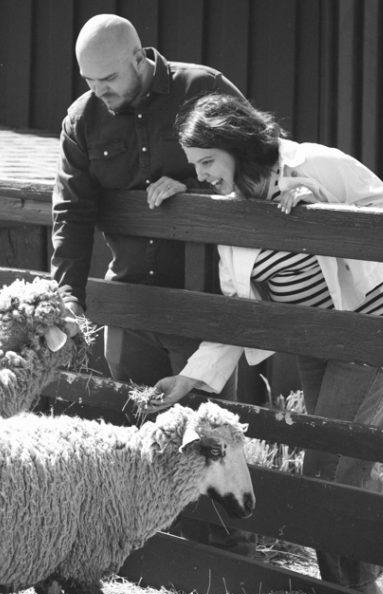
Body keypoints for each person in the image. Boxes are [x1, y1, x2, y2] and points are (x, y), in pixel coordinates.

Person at [144, 92, 383, 594]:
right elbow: (239, 312)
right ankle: (350, 589)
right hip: (315, 338)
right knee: (339, 458)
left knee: (328, 464)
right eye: (194, 164)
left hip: (375, 329)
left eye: (207, 161)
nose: (200, 175)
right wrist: (188, 377)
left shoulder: (317, 164)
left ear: (236, 147)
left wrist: (323, 209)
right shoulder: (234, 212)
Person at [50, 13, 245, 389]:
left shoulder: (204, 89)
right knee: (132, 422)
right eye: (89, 80)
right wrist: (68, 297)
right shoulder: (81, 121)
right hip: (130, 307)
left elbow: (260, 166)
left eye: (109, 78)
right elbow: (71, 213)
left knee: (205, 423)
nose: (99, 90)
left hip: (204, 306)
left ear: (139, 58)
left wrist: (196, 186)